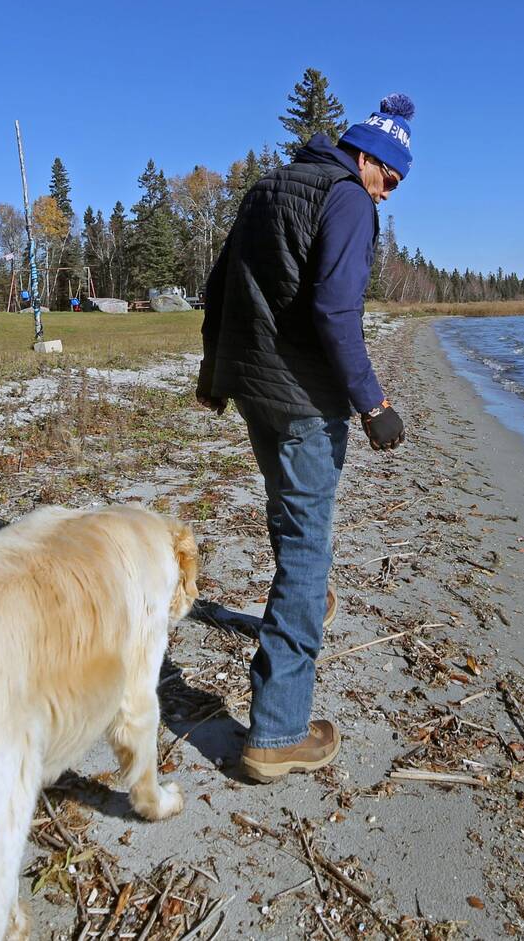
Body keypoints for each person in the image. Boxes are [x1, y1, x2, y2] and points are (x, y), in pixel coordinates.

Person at [196, 94, 414, 781]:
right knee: (307, 547)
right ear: (368, 156)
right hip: (300, 397)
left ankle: (305, 600)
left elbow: (220, 282)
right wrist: (373, 403)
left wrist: (213, 370)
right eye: (391, 177)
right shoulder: (350, 199)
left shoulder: (271, 185)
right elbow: (335, 309)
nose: (388, 192)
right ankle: (279, 730)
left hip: (254, 388)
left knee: (292, 516)